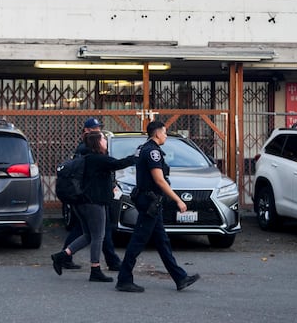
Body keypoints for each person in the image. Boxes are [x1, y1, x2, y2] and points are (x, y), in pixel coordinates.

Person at [116, 120, 200, 292]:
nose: (166, 135)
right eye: (164, 132)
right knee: (138, 241)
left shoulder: (142, 148)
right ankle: (124, 279)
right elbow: (159, 180)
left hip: (149, 201)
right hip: (149, 202)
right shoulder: (153, 152)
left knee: (162, 242)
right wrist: (178, 200)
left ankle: (180, 277)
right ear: (156, 133)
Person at [51, 131, 136, 282]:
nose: (105, 140)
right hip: (93, 203)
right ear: (97, 142)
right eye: (103, 138)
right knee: (98, 236)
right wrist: (136, 157)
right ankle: (95, 269)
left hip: (82, 202)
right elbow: (118, 164)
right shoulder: (98, 159)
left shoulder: (88, 158)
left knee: (88, 235)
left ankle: (62, 256)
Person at [61, 117, 122, 271]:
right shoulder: (87, 149)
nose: (98, 131)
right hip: (91, 197)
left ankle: (64, 256)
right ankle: (108, 262)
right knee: (99, 232)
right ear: (87, 131)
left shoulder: (90, 148)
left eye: (99, 128)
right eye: (95, 129)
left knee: (87, 231)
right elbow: (101, 168)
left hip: (93, 195)